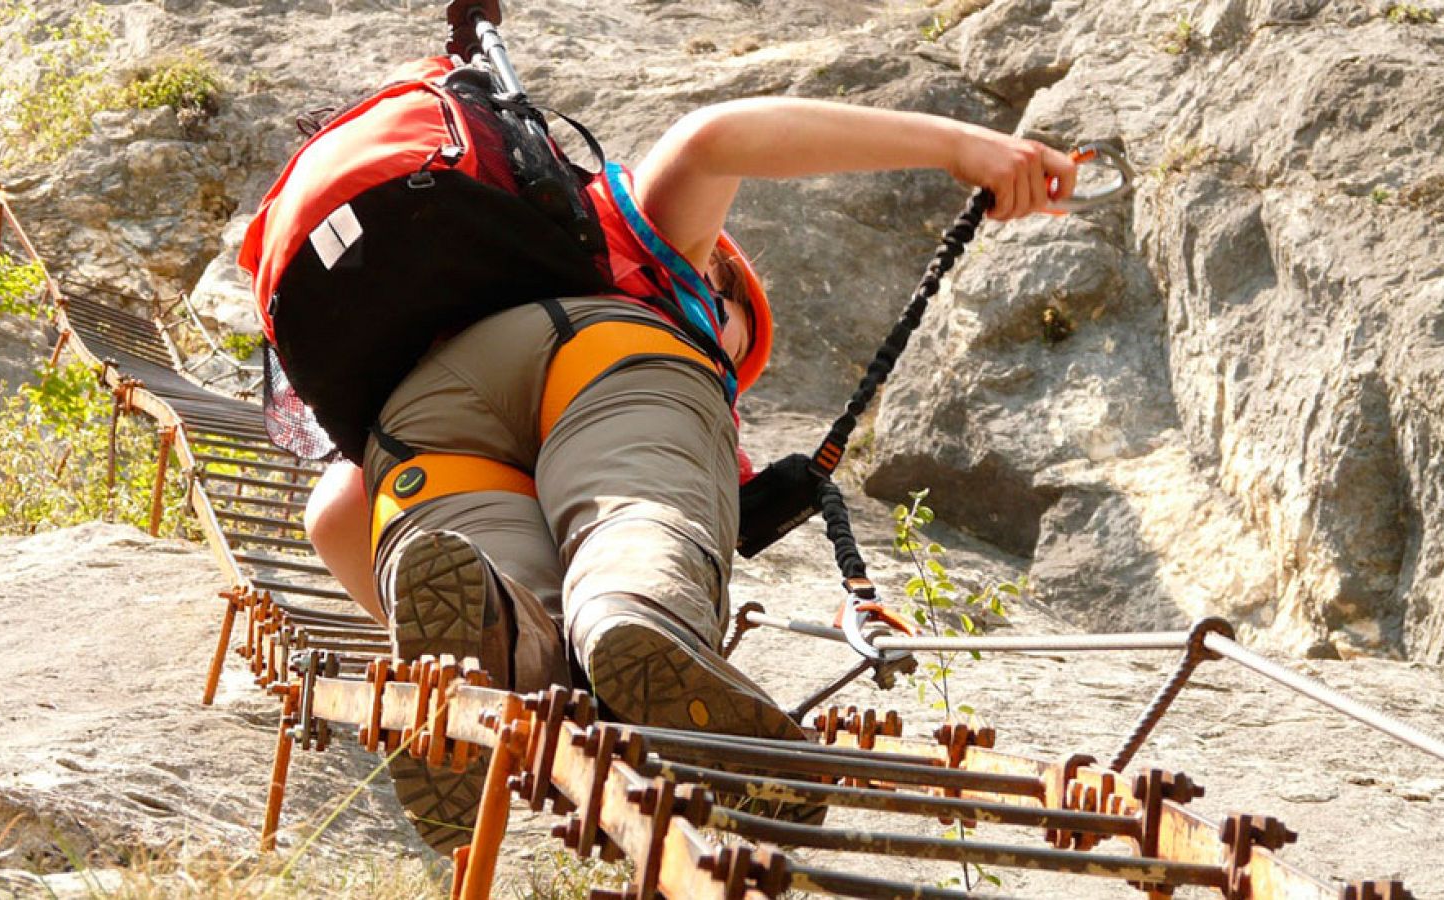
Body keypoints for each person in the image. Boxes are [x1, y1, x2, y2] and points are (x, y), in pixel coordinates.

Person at [304, 96, 1076, 850]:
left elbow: (335, 512)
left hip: (422, 423)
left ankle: (508, 650)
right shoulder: (650, 253)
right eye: (741, 342)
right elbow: (714, 136)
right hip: (602, 355)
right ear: (724, 282)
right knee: (634, 522)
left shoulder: (462, 291)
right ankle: (631, 606)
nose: (736, 366)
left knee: (510, 613)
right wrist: (962, 148)